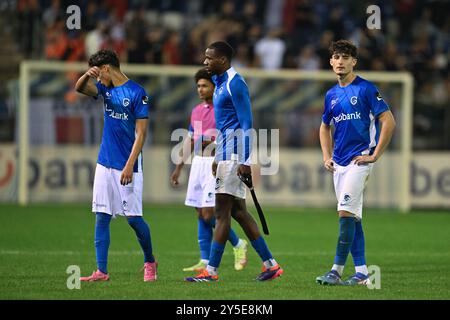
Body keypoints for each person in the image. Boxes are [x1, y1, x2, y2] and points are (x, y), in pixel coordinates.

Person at [185, 41, 283, 282]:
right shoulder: (219, 83)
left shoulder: (235, 83)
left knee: (221, 214)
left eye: (209, 58)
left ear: (222, 60)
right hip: (226, 154)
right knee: (239, 212)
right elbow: (225, 126)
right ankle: (271, 265)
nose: (205, 62)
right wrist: (218, 156)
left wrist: (245, 160)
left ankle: (211, 272)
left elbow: (247, 124)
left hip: (235, 155)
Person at [316, 40, 396, 286]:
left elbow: (389, 121)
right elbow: (324, 126)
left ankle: (336, 270)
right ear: (330, 62)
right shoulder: (331, 94)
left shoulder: (366, 89)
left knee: (344, 213)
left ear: (354, 62)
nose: (340, 61)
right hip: (339, 163)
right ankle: (361, 272)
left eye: (345, 57)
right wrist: (326, 156)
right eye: (336, 57)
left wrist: (375, 155)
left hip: (358, 160)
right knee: (353, 217)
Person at [75, 49, 157, 282]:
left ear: (107, 68)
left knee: (133, 218)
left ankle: (150, 261)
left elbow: (141, 134)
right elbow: (80, 88)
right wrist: (87, 75)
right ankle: (101, 271)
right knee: (101, 215)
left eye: (100, 75)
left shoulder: (137, 93)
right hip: (105, 161)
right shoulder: (105, 89)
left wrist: (129, 165)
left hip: (127, 164)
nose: (99, 81)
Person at [170, 68, 249, 272]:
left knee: (209, 213)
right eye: (198, 86)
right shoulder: (196, 110)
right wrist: (179, 166)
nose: (200, 89)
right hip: (198, 162)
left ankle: (238, 244)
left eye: (204, 85)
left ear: (214, 87)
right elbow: (190, 139)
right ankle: (204, 260)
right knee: (200, 212)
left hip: (216, 162)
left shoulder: (222, 110)